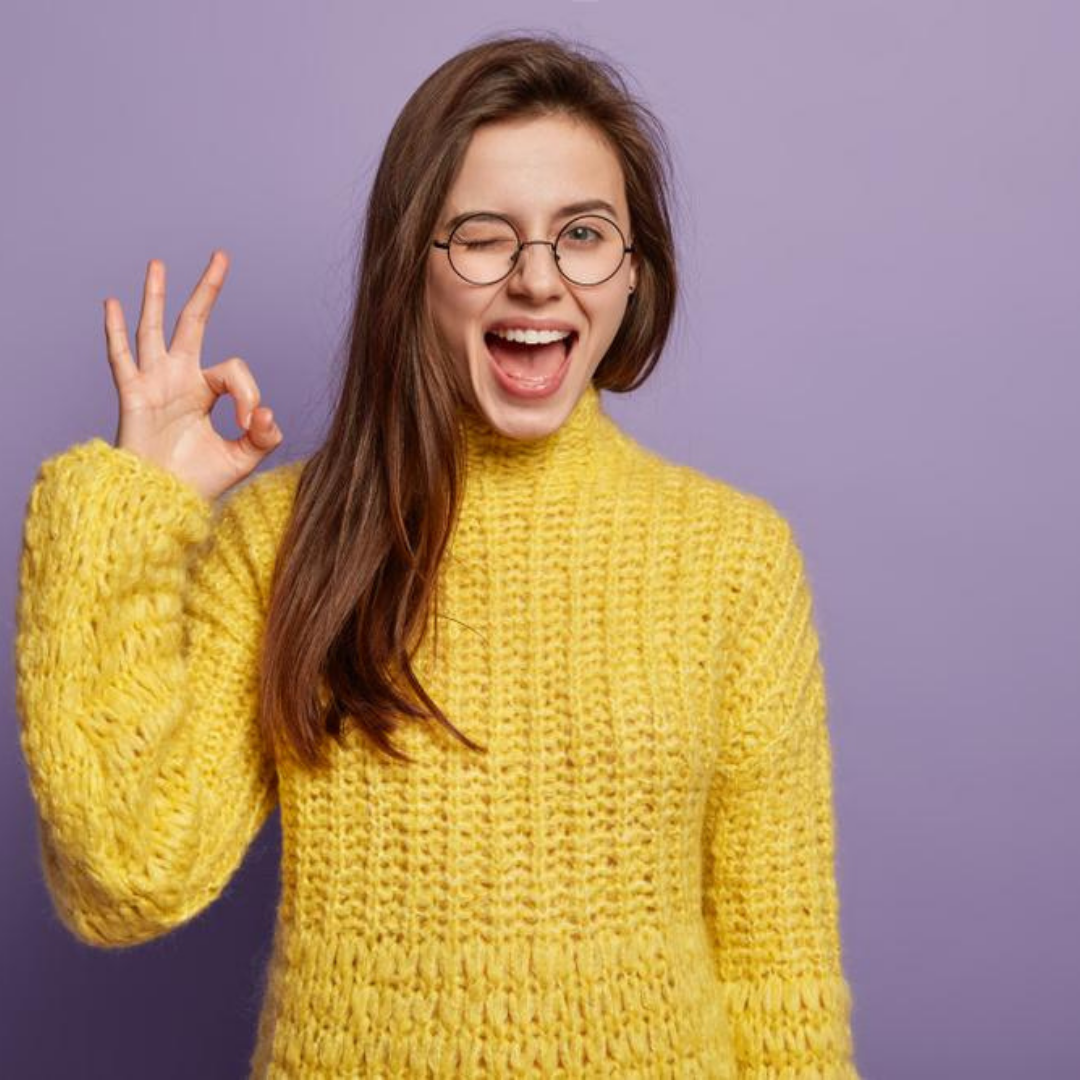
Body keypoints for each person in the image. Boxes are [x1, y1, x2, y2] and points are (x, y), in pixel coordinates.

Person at [14, 31, 861, 1078]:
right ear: (411, 268)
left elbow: (782, 981)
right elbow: (123, 876)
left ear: (635, 273)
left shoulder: (736, 559)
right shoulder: (285, 541)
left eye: (584, 234)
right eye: (483, 237)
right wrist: (135, 509)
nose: (539, 281)